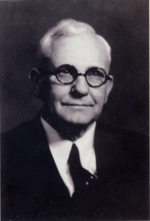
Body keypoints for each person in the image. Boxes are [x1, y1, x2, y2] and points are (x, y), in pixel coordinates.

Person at [1, 19, 149, 221]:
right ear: (38, 83)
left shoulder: (141, 153)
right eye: (65, 72)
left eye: (95, 74)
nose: (80, 89)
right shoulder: (5, 156)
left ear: (107, 89)